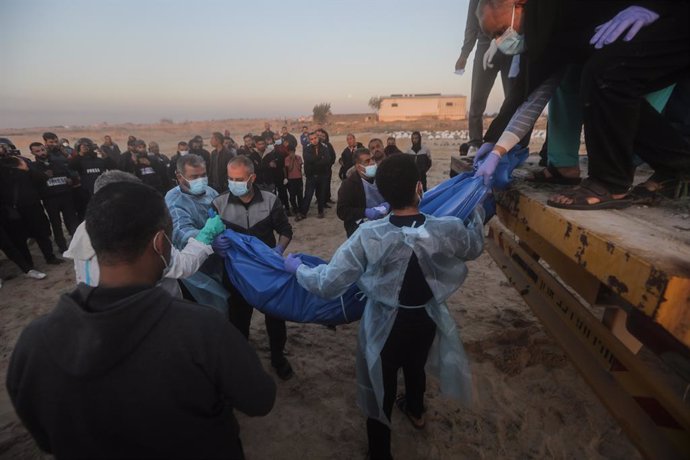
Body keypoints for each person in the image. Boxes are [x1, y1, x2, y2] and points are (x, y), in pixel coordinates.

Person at [8, 180, 275, 460]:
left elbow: (44, 437)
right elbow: (260, 399)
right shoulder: (202, 331)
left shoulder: (33, 343)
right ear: (160, 242)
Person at [285, 154, 484, 460]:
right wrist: (478, 205)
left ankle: (380, 451)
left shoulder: (369, 235)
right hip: (426, 318)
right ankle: (416, 411)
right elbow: (473, 245)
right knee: (415, 366)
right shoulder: (446, 228)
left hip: (385, 325)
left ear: (382, 194)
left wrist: (296, 269)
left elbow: (328, 284)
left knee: (382, 382)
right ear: (420, 187)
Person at [474, 0, 690, 210]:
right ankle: (678, 166)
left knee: (605, 74)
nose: (502, 40)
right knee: (611, 90)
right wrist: (493, 141)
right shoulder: (546, 30)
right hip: (644, 25)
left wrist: (655, 4)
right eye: (495, 37)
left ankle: (609, 183)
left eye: (501, 30)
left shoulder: (558, 9)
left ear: (519, 4)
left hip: (673, 12)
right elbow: (528, 90)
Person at [64, 170, 224, 296]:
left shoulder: (84, 228)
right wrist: (205, 236)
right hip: (155, 311)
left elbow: (80, 273)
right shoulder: (142, 232)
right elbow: (183, 266)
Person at [212, 155, 295, 380]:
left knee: (275, 315)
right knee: (238, 320)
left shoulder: (270, 200)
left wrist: (277, 251)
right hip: (236, 273)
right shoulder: (219, 203)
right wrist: (214, 244)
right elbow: (211, 233)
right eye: (230, 178)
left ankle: (278, 357)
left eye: (239, 179)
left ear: (252, 177)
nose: (234, 183)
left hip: (267, 271)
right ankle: (242, 361)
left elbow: (286, 230)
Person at [455, 0, 514, 152]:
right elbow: (472, 23)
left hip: (512, 43)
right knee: (477, 99)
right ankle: (475, 142)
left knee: (514, 98)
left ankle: (511, 142)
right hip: (485, 44)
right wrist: (465, 53)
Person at [0, 155, 63, 266]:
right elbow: (43, 178)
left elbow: (42, 179)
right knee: (31, 236)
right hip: (22, 210)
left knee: (32, 236)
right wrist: (26, 167)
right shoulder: (16, 173)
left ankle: (37, 261)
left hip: (23, 209)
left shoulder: (15, 173)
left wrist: (26, 168)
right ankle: (40, 260)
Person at [28, 142, 78, 253]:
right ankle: (62, 247)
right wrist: (44, 176)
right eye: (37, 151)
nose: (41, 153)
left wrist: (70, 180)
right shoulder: (33, 167)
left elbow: (70, 175)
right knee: (56, 224)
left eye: (42, 150)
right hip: (50, 199)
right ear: (32, 153)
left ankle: (77, 244)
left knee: (71, 222)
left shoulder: (58, 162)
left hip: (65, 196)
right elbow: (33, 183)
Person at [336, 148, 389, 237]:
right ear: (358, 166)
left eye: (373, 159)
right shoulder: (348, 185)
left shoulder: (382, 178)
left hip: (384, 224)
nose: (372, 163)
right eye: (367, 161)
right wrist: (365, 212)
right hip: (360, 229)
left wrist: (389, 204)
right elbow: (342, 211)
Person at [300, 132, 331, 219]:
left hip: (322, 175)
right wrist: (320, 158)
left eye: (315, 138)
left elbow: (327, 159)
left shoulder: (324, 147)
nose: (314, 140)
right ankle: (303, 213)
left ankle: (320, 212)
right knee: (308, 195)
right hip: (311, 176)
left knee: (321, 195)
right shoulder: (306, 148)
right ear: (309, 140)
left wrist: (315, 162)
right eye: (311, 139)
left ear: (318, 138)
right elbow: (308, 159)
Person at [285, 143, 304, 218]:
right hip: (291, 179)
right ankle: (295, 209)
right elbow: (289, 169)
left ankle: (300, 210)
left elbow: (300, 168)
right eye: (290, 152)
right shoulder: (287, 159)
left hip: (299, 178)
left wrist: (295, 159)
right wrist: (292, 160)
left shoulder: (299, 157)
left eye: (292, 152)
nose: (291, 153)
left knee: (300, 195)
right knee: (292, 196)